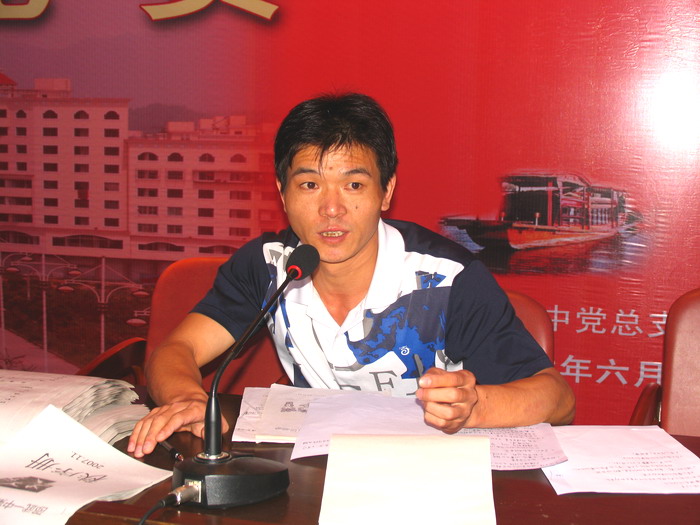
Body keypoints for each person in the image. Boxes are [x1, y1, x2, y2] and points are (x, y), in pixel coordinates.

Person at [128, 93, 575, 458]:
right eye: (310, 185)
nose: (331, 208)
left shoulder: (446, 278)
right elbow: (176, 351)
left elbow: (558, 399)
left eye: (354, 185)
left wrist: (474, 406)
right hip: (316, 472)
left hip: (431, 470)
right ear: (283, 193)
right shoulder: (267, 265)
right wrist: (187, 400)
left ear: (386, 191)